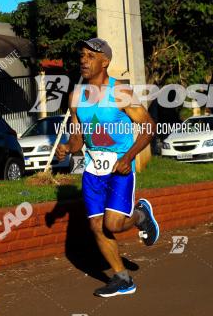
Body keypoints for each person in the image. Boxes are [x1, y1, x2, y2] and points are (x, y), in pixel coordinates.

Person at [55, 38, 160, 297]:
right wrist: (68, 147)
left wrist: (129, 157)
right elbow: (79, 136)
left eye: (90, 56)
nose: (83, 60)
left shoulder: (120, 92)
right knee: (96, 226)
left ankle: (141, 216)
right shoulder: (76, 96)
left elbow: (149, 126)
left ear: (105, 61)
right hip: (93, 170)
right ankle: (122, 278)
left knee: (113, 224)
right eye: (82, 55)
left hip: (119, 168)